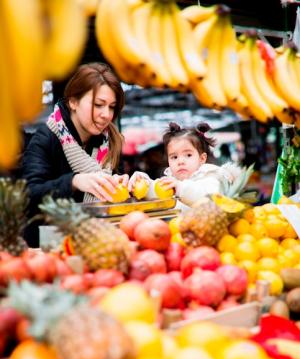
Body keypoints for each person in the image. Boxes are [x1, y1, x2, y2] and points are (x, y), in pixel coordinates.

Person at [22, 62, 128, 247]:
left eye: (111, 107)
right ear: (73, 101)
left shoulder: (111, 141)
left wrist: (129, 187)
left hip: (100, 243)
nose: (106, 115)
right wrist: (73, 182)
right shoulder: (46, 138)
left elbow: (114, 197)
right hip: (49, 247)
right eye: (98, 105)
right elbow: (29, 195)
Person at [129, 122, 247, 211]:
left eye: (188, 155)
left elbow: (207, 198)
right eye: (174, 157)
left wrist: (181, 188)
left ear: (201, 159)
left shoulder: (211, 177)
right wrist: (144, 184)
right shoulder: (173, 179)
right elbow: (157, 192)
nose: (180, 161)